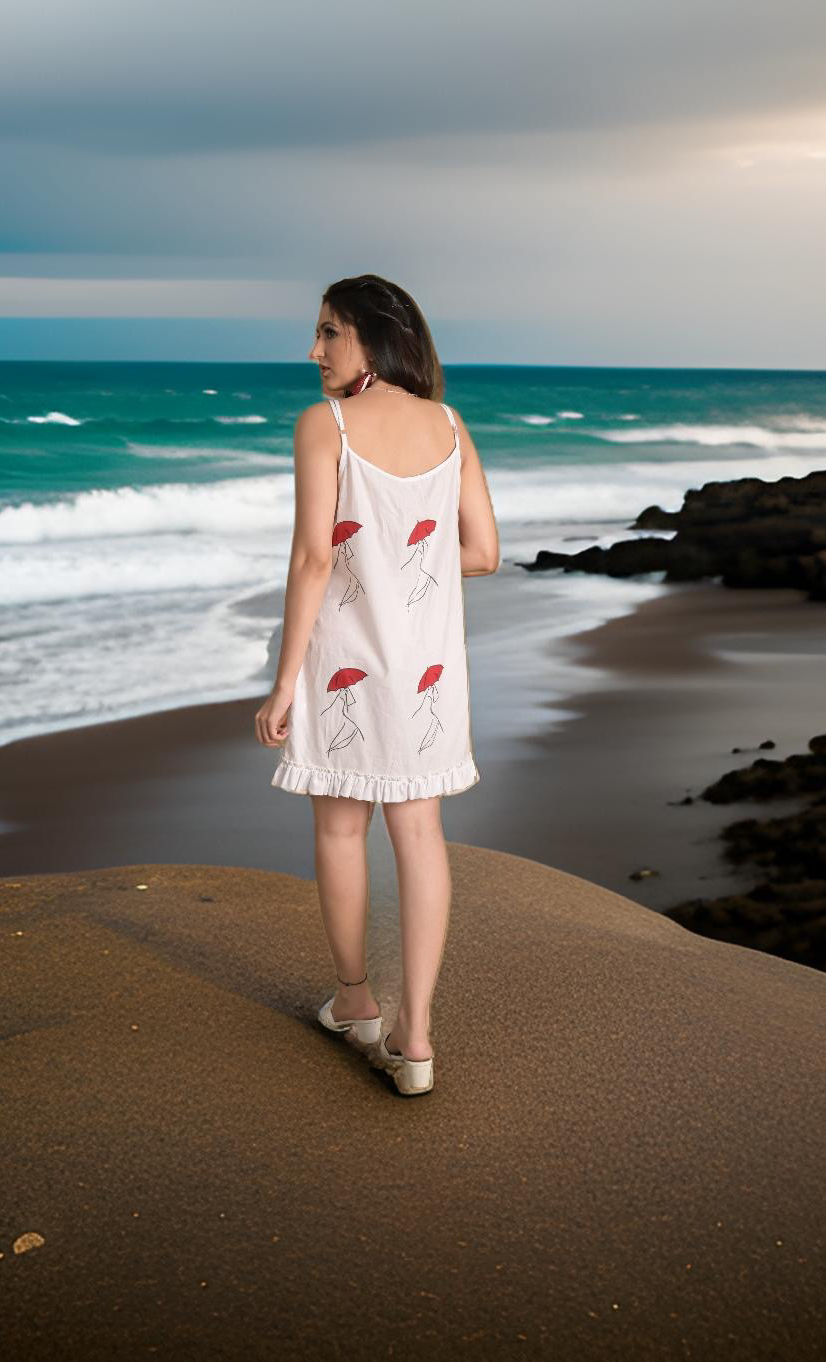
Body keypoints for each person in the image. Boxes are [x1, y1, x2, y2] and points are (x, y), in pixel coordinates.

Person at [254, 274, 500, 1096]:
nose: (314, 350)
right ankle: (417, 1040)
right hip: (427, 668)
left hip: (346, 660)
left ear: (374, 335)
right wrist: (406, 567)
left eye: (329, 332)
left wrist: (284, 682)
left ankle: (356, 1000)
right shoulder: (449, 424)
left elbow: (314, 558)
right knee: (421, 834)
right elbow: (482, 552)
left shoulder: (324, 426)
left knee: (339, 829)